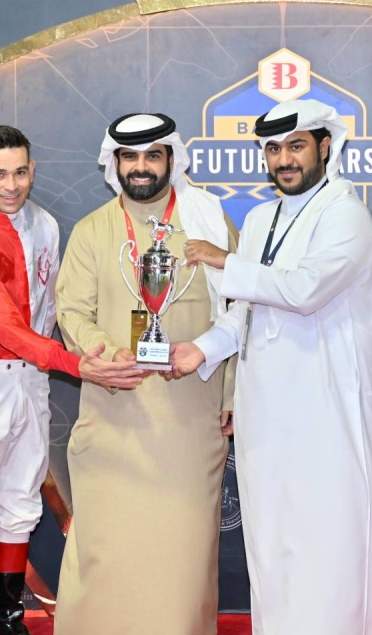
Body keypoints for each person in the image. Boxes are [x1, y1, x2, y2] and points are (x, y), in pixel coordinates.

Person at [171, 99, 372, 634]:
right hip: (264, 414)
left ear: (324, 147)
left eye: (295, 146)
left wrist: (224, 259)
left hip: (325, 414)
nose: (283, 159)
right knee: (271, 547)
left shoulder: (345, 214)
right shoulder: (260, 219)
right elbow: (248, 309)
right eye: (273, 149)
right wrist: (202, 349)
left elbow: (304, 290)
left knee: (327, 547)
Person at [0, 125, 142, 635]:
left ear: (33, 170)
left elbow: (51, 308)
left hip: (33, 379)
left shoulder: (46, 225)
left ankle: (10, 620)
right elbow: (4, 326)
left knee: (22, 502)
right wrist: (75, 364)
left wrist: (80, 351)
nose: (11, 185)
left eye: (20, 172)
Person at [53, 113, 237, 635]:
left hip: (188, 425)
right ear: (114, 163)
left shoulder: (207, 221)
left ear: (170, 160)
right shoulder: (92, 230)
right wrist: (106, 353)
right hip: (114, 416)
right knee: (108, 561)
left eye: (152, 156)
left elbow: (243, 311)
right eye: (129, 156)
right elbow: (72, 311)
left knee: (180, 566)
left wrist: (233, 393)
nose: (141, 166)